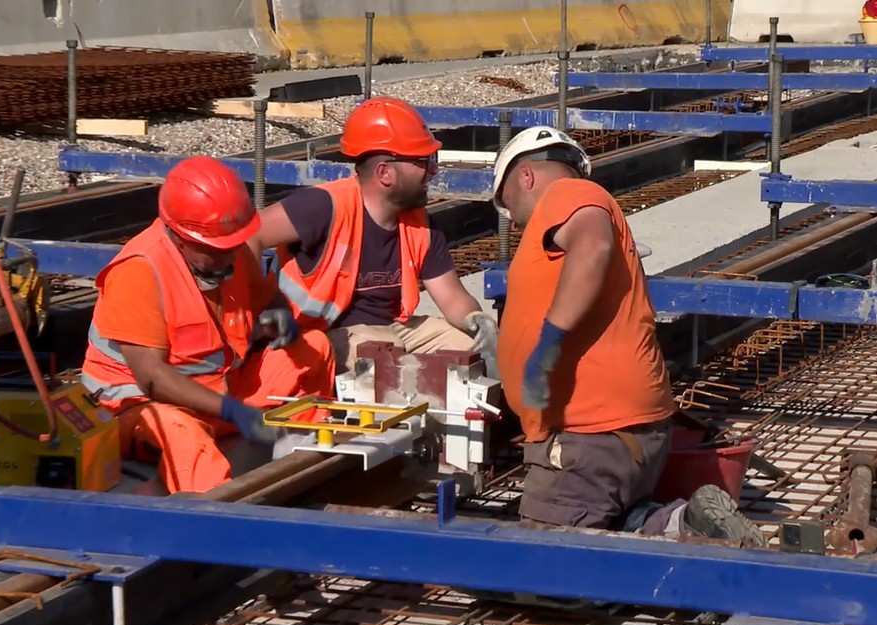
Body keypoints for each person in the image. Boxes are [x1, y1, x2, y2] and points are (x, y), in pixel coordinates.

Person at [491, 125, 765, 548]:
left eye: (508, 202)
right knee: (602, 531)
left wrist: (547, 342)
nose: (511, 218)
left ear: (526, 175)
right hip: (620, 434)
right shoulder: (572, 208)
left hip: (591, 435)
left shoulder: (566, 194)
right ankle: (678, 525)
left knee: (538, 562)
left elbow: (593, 246)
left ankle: (681, 541)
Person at [81, 155, 336, 495]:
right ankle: (216, 522)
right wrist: (231, 410)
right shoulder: (140, 271)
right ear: (180, 237)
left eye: (233, 245)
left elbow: (268, 297)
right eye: (218, 250)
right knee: (183, 435)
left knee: (314, 348)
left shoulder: (228, 249)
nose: (231, 256)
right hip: (137, 407)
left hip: (216, 392)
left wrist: (280, 314)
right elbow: (153, 379)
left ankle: (306, 469)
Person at [247, 96, 499, 376]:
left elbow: (452, 297)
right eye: (425, 161)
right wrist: (267, 305)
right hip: (317, 334)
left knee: (467, 349)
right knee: (385, 352)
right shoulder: (323, 207)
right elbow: (248, 235)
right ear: (385, 173)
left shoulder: (420, 224)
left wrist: (476, 320)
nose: (434, 170)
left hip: (392, 330)